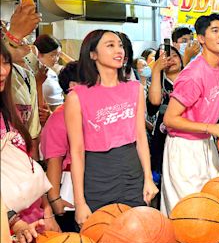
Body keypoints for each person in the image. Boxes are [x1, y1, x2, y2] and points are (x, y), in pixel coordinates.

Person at [65, 30, 158, 226]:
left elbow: (141, 137)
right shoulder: (76, 97)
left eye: (120, 45)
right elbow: (77, 152)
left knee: (137, 232)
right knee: (101, 233)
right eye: (110, 45)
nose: (119, 50)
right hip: (96, 173)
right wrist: (80, 202)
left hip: (132, 170)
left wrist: (148, 179)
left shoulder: (134, 89)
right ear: (92, 54)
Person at [161, 14, 219, 213]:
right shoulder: (193, 75)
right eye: (215, 30)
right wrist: (210, 127)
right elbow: (169, 119)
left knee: (213, 205)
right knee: (188, 212)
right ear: (201, 38)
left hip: (207, 141)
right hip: (184, 148)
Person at [1, 41, 59, 240]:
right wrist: (13, 221)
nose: (2, 71)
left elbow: (28, 166)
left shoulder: (9, 111)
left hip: (33, 221)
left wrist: (47, 210)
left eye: (6, 63)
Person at [40, 61, 80, 232]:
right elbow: (54, 160)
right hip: (69, 190)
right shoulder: (59, 117)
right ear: (73, 86)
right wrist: (55, 199)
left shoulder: (89, 111)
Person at [146, 46, 183, 195]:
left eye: (175, 55)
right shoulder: (158, 83)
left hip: (188, 137)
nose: (171, 59)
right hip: (163, 140)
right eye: (165, 57)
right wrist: (156, 71)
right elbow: (154, 102)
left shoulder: (190, 80)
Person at [33, 34, 63, 112]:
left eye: (58, 55)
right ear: (39, 53)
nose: (56, 59)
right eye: (52, 55)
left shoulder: (52, 72)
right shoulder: (31, 74)